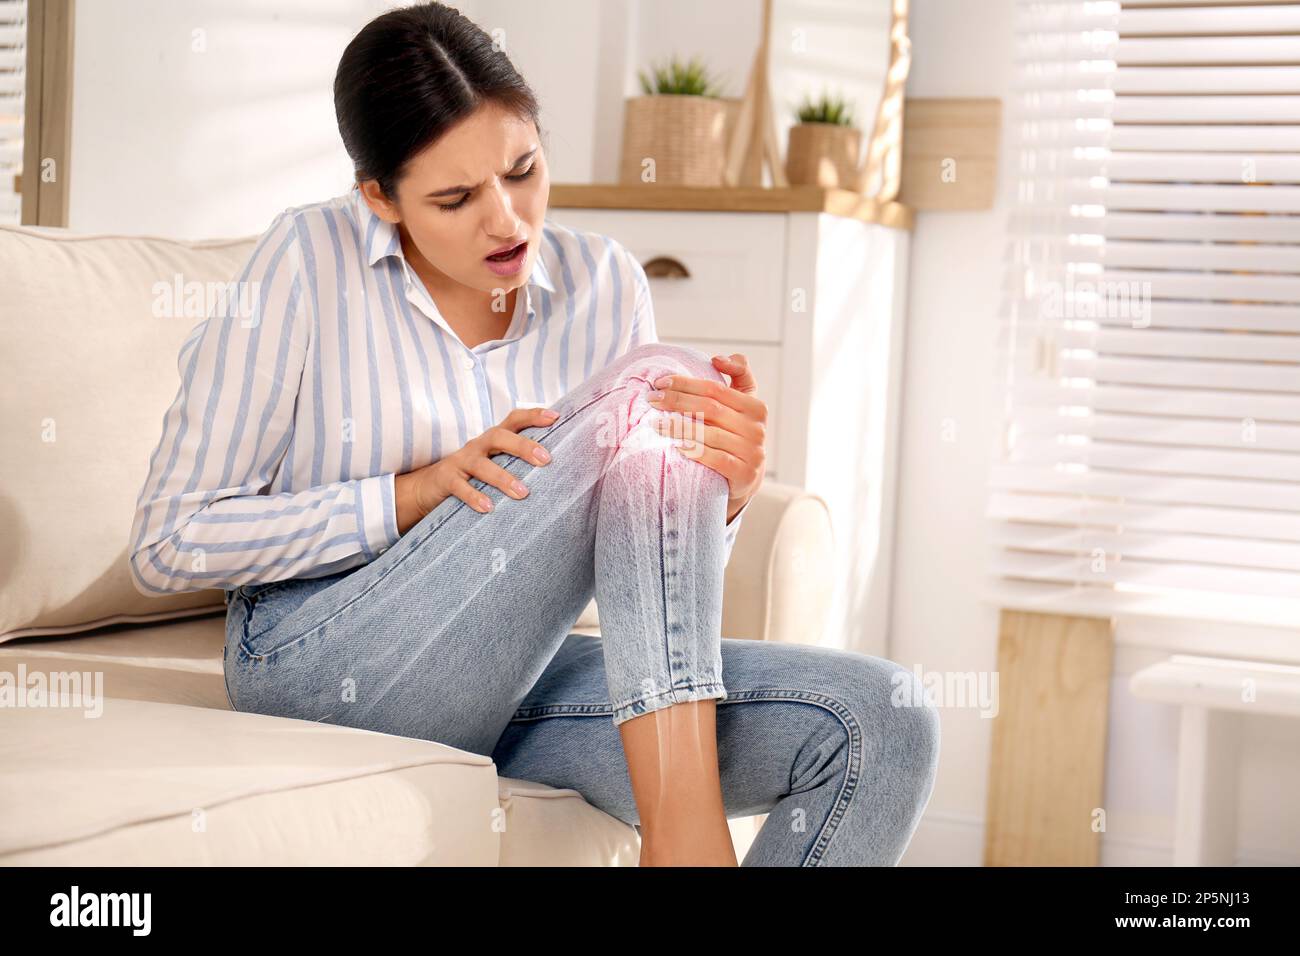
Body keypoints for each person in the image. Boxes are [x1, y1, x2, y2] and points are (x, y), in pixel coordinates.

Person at [127, 1, 939, 867]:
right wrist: (413, 495)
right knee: (649, 387)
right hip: (320, 662)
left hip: (515, 668)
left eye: (522, 170)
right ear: (379, 198)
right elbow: (166, 543)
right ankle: (686, 840)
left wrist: (726, 494)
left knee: (882, 720)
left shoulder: (603, 280)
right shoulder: (305, 259)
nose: (507, 220)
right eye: (455, 197)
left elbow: (649, 573)